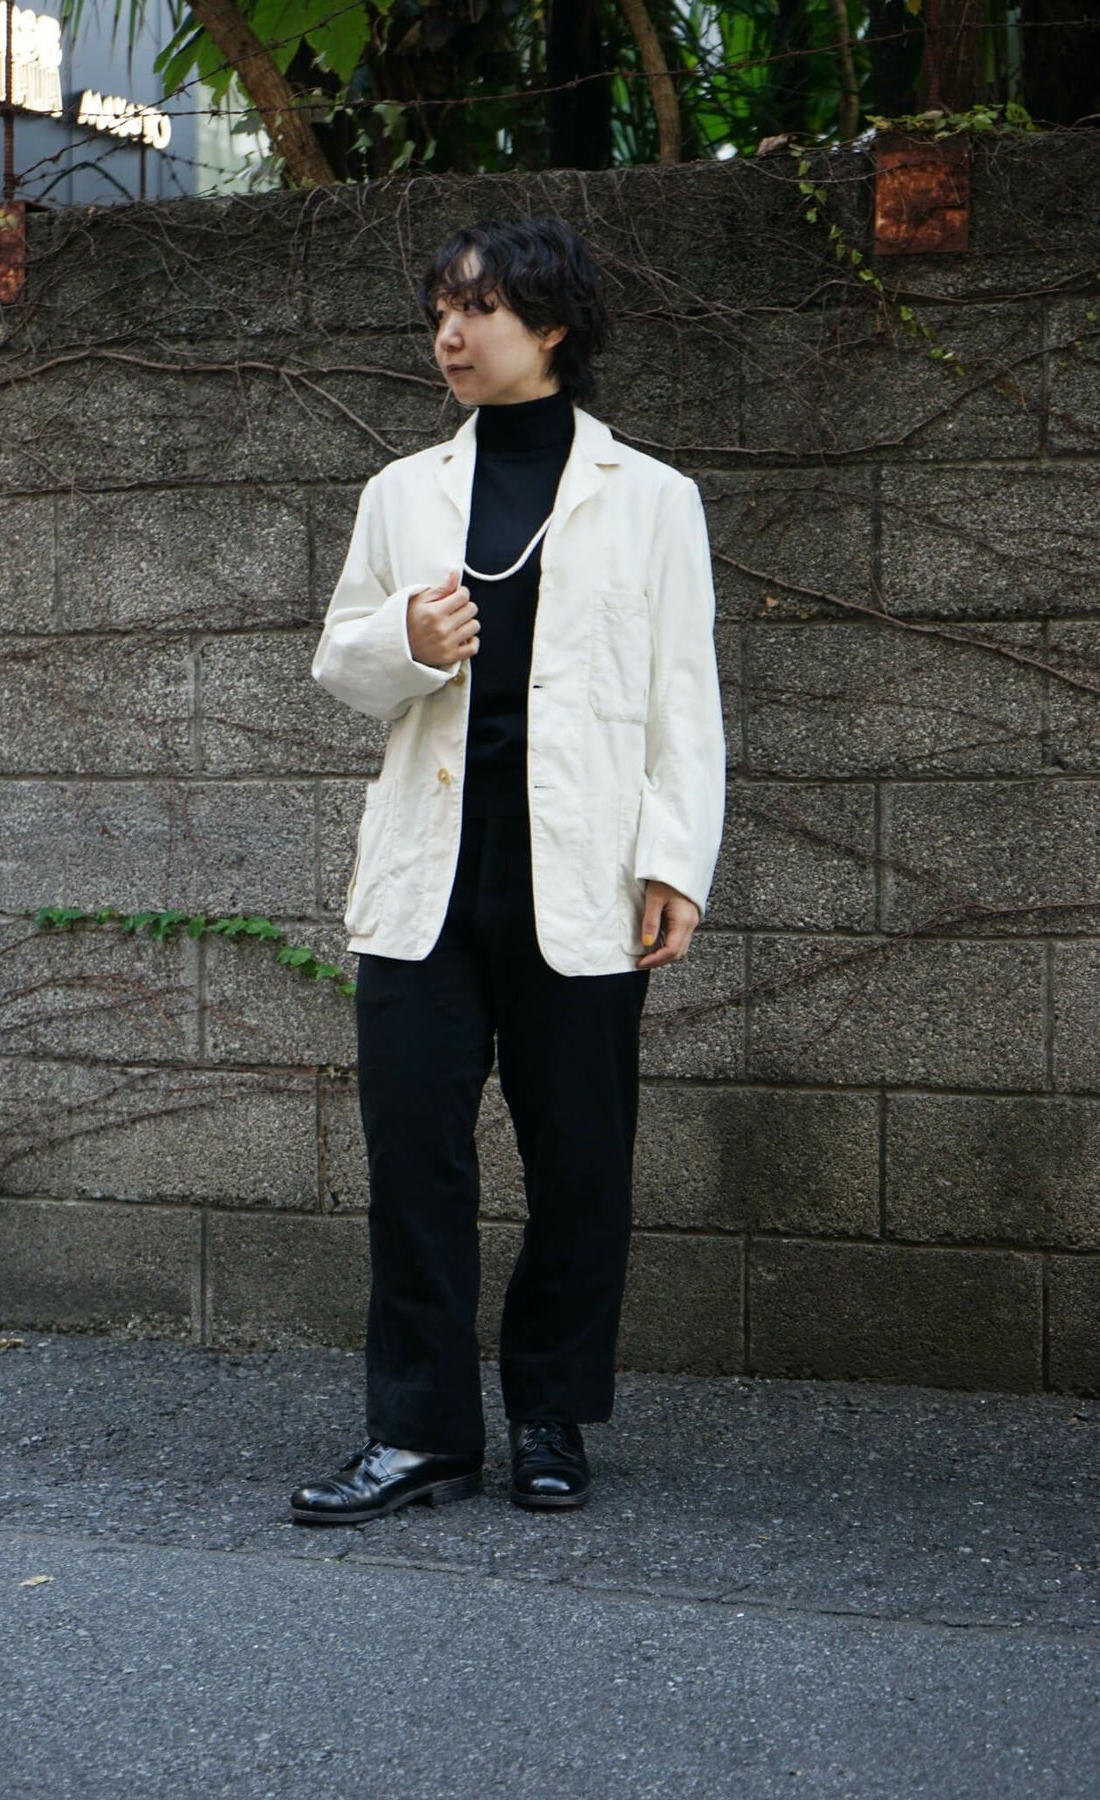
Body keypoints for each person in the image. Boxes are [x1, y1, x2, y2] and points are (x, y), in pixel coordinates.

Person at [292, 217, 724, 1524]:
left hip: (582, 881)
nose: (449, 333)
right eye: (440, 310)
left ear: (551, 326)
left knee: (581, 1166)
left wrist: (675, 862)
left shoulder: (652, 499)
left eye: (476, 309)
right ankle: (419, 1433)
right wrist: (408, 641)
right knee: (413, 1166)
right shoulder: (401, 493)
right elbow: (340, 663)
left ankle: (549, 1415)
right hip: (425, 886)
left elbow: (684, 699)